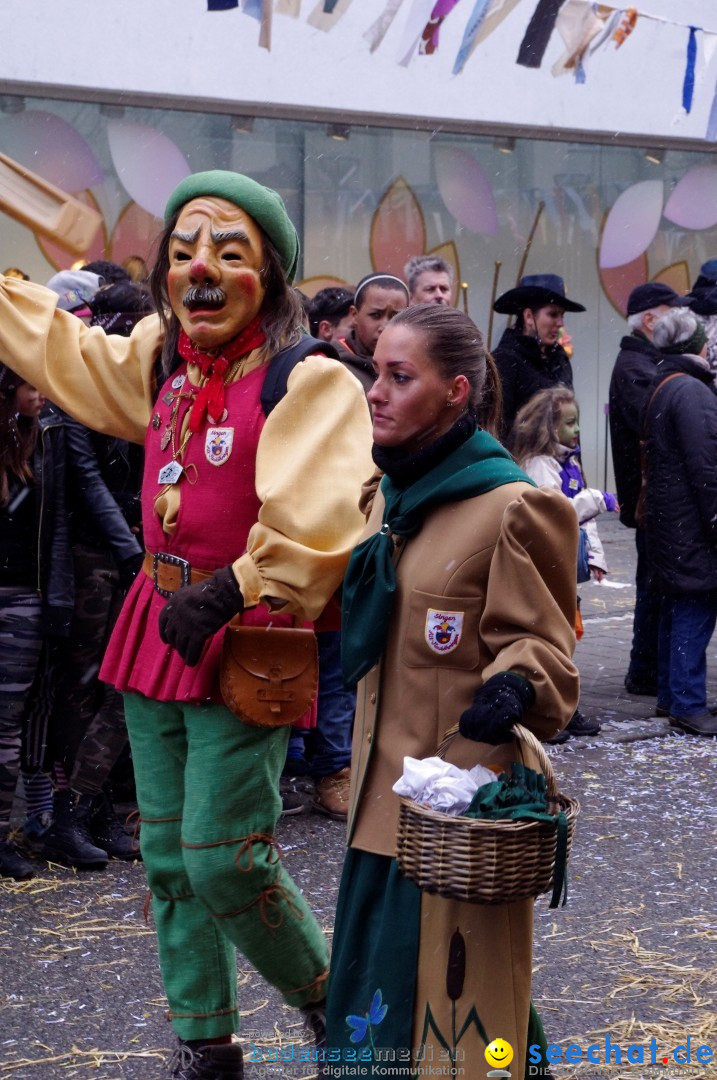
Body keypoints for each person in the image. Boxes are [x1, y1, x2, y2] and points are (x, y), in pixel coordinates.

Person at [0, 169, 374, 1079]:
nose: (199, 269)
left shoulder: (307, 378)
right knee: (166, 855)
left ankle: (335, 1006)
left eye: (228, 252)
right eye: (182, 252)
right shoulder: (163, 357)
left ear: (273, 274)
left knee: (224, 857)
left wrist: (235, 584)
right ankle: (206, 1041)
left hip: (242, 632)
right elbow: (66, 353)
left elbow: (325, 520)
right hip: (151, 622)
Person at [327, 304, 579, 1079]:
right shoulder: (387, 494)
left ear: (455, 392)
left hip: (451, 821)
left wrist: (513, 687)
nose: (376, 391)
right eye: (376, 371)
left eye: (400, 378)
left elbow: (546, 649)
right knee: (386, 1021)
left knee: (454, 1021)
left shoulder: (509, 507)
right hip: (377, 818)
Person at [512, 386, 618, 739]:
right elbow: (557, 514)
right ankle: (548, 709)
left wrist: (594, 558)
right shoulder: (540, 467)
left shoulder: (567, 462)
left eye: (577, 423)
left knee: (565, 637)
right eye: (569, 423)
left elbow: (582, 525)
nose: (576, 431)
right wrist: (595, 499)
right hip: (545, 568)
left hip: (562, 568)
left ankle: (560, 706)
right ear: (548, 427)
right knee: (550, 639)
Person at [0, 366, 73, 880]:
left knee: (6, 724)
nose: (40, 392)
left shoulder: (45, 439)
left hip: (23, 596)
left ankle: (3, 833)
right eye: (28, 385)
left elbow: (61, 523)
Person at [608, 282, 688, 697]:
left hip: (651, 496)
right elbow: (657, 419)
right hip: (649, 498)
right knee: (654, 585)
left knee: (654, 582)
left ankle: (646, 669)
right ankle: (645, 670)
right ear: (651, 319)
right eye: (671, 311)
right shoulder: (635, 367)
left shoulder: (643, 362)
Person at [643, 308, 717, 738]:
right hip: (690, 520)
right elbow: (707, 463)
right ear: (696, 347)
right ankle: (688, 703)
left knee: (678, 603)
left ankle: (673, 697)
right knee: (695, 600)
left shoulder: (665, 384)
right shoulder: (691, 390)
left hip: (670, 519)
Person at [492, 273, 585, 440]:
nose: (560, 323)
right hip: (521, 463)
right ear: (528, 316)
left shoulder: (560, 359)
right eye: (553, 314)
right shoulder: (504, 360)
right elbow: (498, 429)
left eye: (562, 315)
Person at [334, 273, 409, 393]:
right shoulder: (333, 365)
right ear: (354, 315)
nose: (385, 326)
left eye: (395, 317)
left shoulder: (416, 368)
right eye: (376, 315)